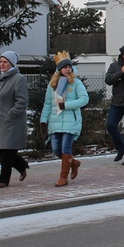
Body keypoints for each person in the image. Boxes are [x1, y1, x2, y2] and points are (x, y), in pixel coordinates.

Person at [0, 51, 30, 188]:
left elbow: (22, 101)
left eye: (5, 62)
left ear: (12, 64)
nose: (2, 64)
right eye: (1, 61)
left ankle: (3, 180)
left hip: (10, 121)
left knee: (7, 150)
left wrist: (11, 114)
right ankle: (21, 164)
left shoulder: (19, 79)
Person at [40, 51, 90, 187]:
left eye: (69, 67)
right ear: (59, 69)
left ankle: (63, 177)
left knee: (65, 148)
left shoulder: (76, 83)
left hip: (71, 121)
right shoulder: (53, 84)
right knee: (56, 149)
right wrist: (43, 120)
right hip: (55, 120)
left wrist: (66, 105)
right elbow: (48, 103)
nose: (68, 69)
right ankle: (73, 163)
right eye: (65, 67)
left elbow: (84, 99)